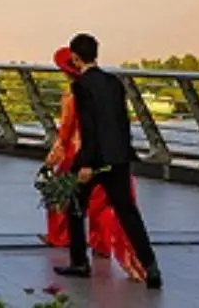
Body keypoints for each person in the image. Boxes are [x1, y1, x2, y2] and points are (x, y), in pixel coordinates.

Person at [56, 33, 162, 289]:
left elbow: (89, 127)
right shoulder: (114, 82)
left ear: (75, 57)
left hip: (96, 159)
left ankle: (80, 263)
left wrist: (85, 164)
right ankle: (151, 266)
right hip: (119, 156)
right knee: (128, 212)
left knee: (74, 206)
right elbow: (121, 122)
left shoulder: (81, 85)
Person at [43, 46, 144, 280]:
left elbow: (66, 133)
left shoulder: (73, 96)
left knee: (73, 204)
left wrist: (53, 158)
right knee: (114, 208)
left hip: (83, 157)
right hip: (113, 158)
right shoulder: (108, 87)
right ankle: (122, 254)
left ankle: (73, 252)